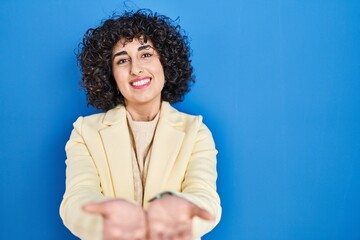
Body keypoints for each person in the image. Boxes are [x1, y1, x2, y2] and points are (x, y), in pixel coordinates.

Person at [59, 9, 221, 240]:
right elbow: (76, 199)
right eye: (122, 60)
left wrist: (180, 210)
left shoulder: (195, 131)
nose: (136, 69)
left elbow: (206, 197)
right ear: (110, 75)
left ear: (165, 61)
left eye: (146, 55)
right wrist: (105, 222)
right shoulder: (85, 131)